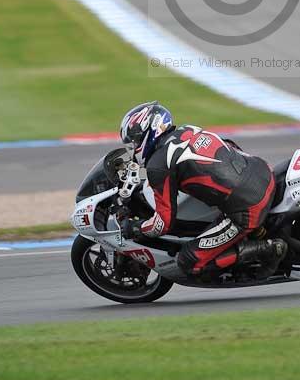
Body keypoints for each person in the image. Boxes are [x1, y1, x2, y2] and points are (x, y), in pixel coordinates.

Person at [119, 101, 287, 277]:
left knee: (189, 262)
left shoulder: (158, 166)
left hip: (248, 207)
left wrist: (136, 228)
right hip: (263, 171)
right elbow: (230, 145)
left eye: (133, 142)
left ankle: (268, 249)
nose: (132, 149)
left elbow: (163, 224)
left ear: (149, 131)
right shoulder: (188, 130)